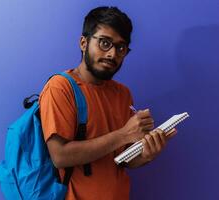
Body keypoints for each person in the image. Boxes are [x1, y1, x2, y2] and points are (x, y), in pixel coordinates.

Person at [39, 6, 177, 200]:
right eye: (105, 43)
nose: (112, 54)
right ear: (83, 43)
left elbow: (122, 161)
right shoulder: (60, 88)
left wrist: (146, 153)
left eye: (121, 47)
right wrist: (124, 134)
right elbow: (60, 156)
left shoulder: (122, 93)